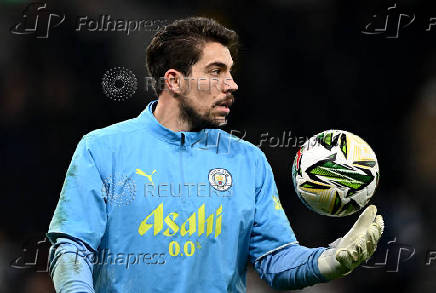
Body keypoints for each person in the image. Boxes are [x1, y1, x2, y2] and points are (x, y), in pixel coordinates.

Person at [47, 17, 384, 293]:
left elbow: (275, 260)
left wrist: (329, 260)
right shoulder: (102, 149)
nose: (232, 84)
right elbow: (72, 248)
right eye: (216, 71)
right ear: (174, 81)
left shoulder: (248, 161)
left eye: (231, 72)